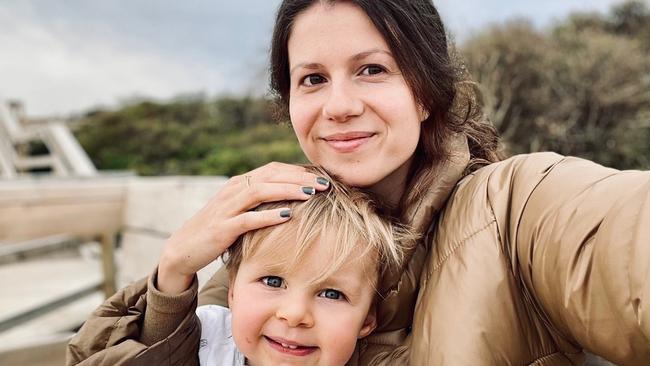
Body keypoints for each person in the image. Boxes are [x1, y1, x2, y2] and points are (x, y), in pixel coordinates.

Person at [68, 0, 650, 365]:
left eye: (372, 69)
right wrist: (172, 279)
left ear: (424, 92)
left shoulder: (520, 205)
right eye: (313, 79)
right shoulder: (280, 232)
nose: (339, 105)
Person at [70, 168, 414, 365]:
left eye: (331, 293)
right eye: (273, 281)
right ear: (232, 290)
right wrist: (173, 272)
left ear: (368, 320)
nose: (294, 314)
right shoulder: (210, 338)